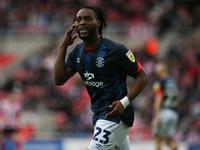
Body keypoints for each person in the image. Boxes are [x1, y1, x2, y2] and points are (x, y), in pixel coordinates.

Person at [53, 5, 148, 150]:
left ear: (98, 23)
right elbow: (58, 80)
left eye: (87, 19)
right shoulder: (77, 52)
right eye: (78, 20)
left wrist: (124, 102)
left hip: (116, 115)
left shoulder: (116, 50)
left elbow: (142, 76)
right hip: (98, 114)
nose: (82, 22)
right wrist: (63, 46)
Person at [152, 62, 179, 150]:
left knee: (158, 141)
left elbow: (158, 99)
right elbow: (179, 96)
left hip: (164, 112)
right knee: (169, 142)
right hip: (174, 113)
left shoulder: (159, 83)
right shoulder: (174, 82)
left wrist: (156, 116)